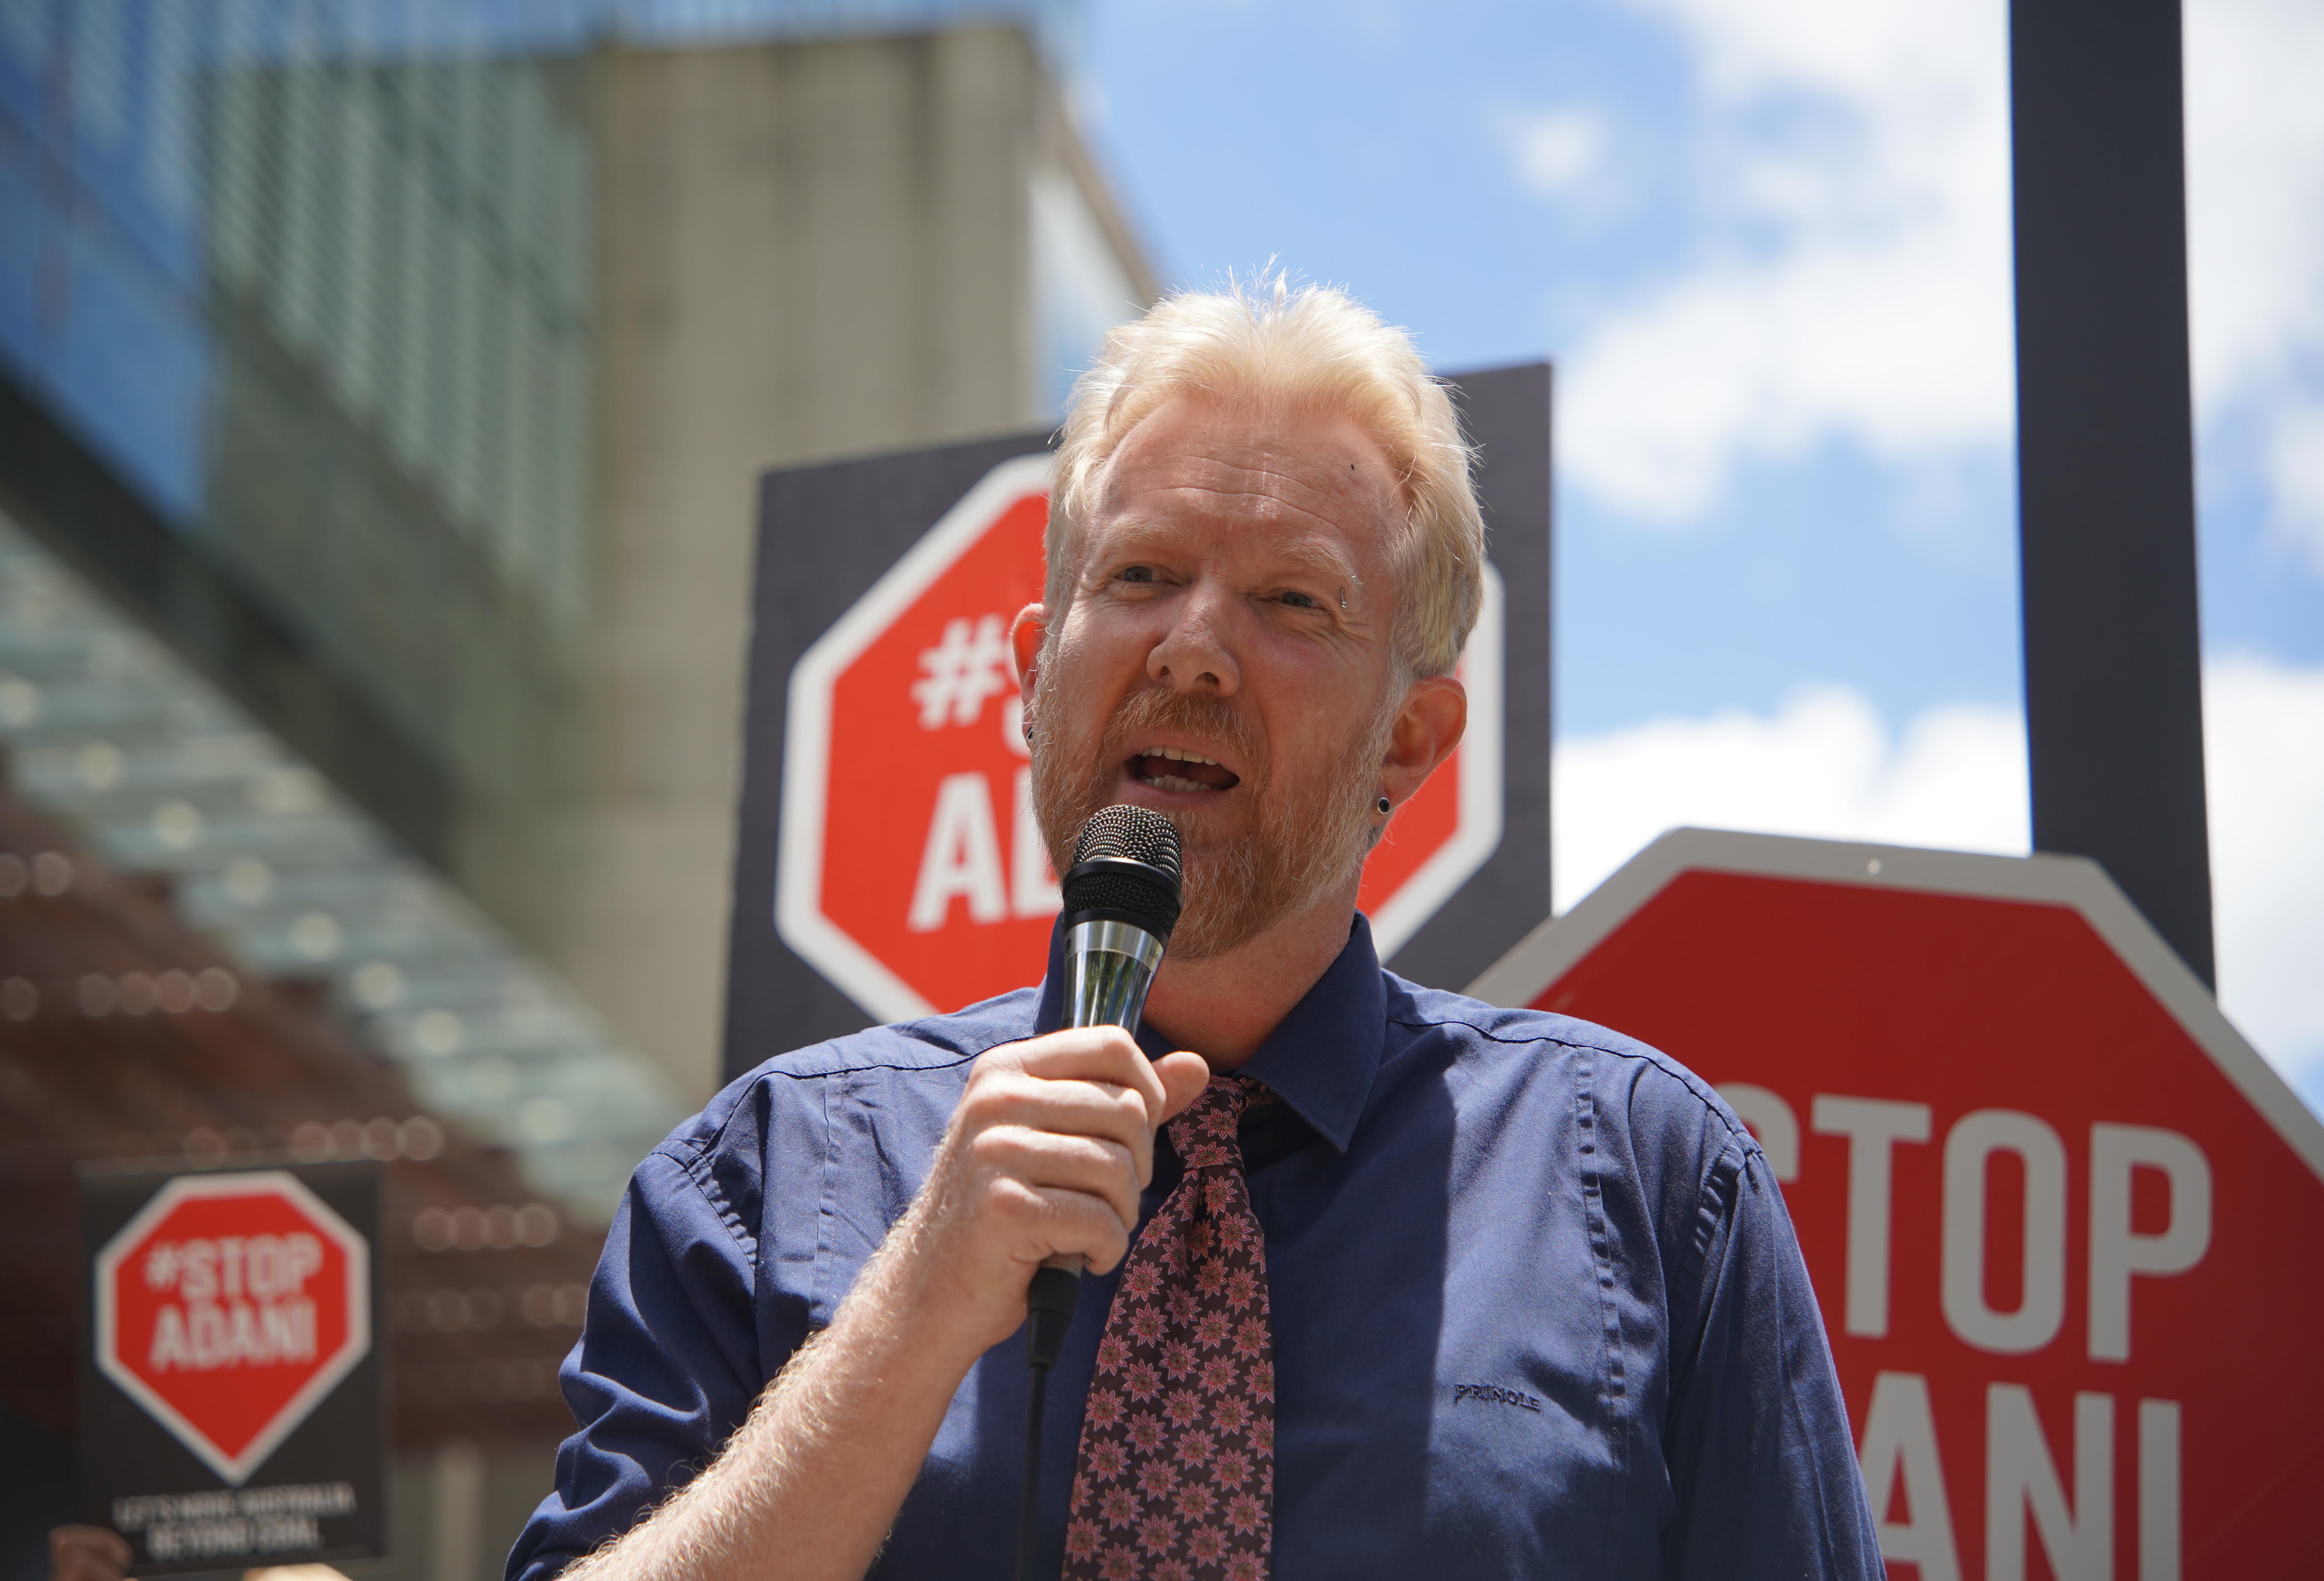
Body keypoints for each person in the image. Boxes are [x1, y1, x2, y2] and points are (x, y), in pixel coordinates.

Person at [508, 277, 1881, 1581]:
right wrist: (914, 1310)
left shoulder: (1642, 1188)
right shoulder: (769, 1172)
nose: (1193, 650)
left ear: (1413, 735)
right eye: (1145, 576)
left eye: (1291, 599)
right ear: (1034, 677)